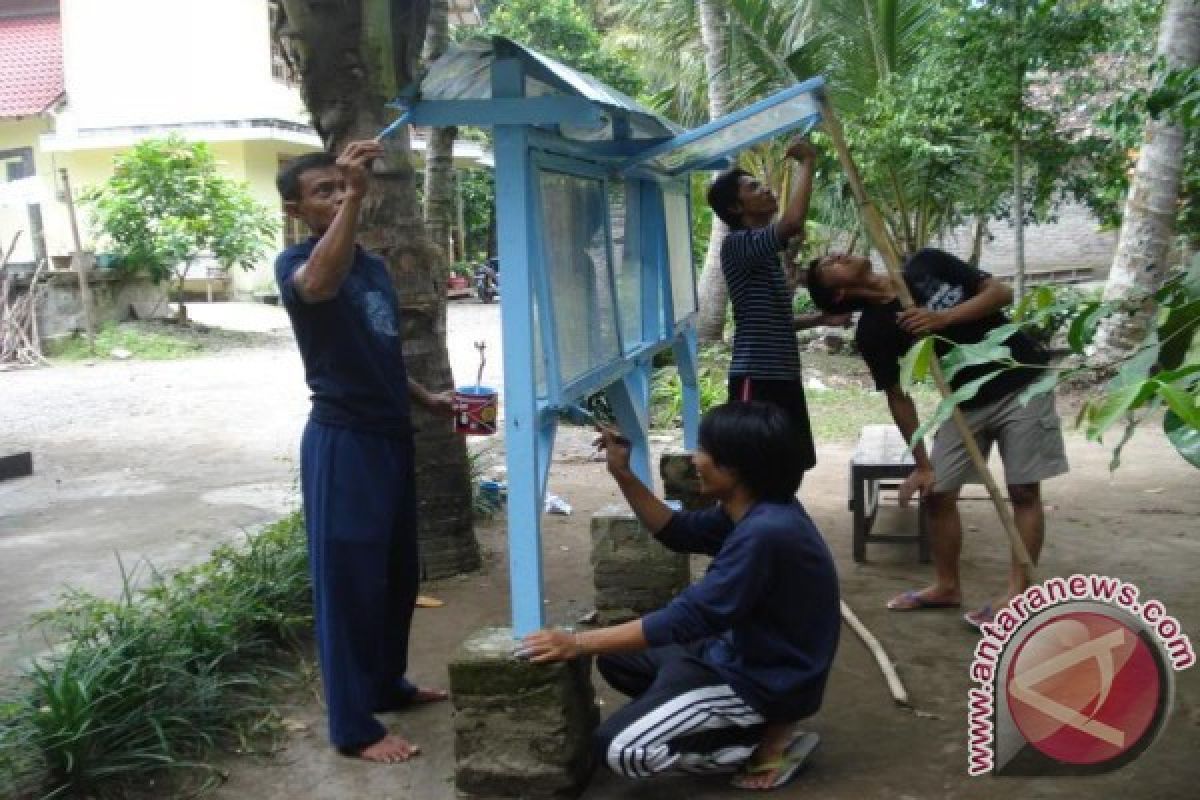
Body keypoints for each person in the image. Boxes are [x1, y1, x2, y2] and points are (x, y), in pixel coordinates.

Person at [520, 402, 840, 791]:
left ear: (734, 468)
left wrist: (575, 642)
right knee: (616, 659)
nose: (694, 459)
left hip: (760, 680)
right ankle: (699, 716)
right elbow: (677, 531)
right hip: (731, 652)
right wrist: (622, 474)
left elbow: (687, 617)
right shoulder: (755, 509)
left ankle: (765, 744)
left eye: (703, 450)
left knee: (621, 750)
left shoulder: (766, 532)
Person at [275, 141, 453, 763]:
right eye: (323, 191)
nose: (339, 194)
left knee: (398, 573)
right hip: (342, 441)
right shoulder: (297, 263)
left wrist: (421, 395)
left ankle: (385, 684)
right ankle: (353, 727)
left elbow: (376, 347)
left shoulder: (372, 265)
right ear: (298, 211)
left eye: (341, 185)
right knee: (349, 583)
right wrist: (354, 194)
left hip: (389, 435)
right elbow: (320, 286)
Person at [806, 248, 1069, 627]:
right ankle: (947, 587)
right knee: (938, 491)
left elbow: (999, 293)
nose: (836, 255)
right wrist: (923, 464)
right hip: (963, 403)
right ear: (838, 296)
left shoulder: (927, 264)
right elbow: (898, 396)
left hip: (1021, 384)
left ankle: (1018, 593)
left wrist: (942, 318)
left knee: (1024, 490)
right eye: (827, 265)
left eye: (833, 255)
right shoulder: (874, 331)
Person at [705, 138, 848, 480]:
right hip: (757, 376)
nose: (766, 189)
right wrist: (807, 163)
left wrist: (820, 318)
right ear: (737, 209)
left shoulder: (763, 252)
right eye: (754, 187)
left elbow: (771, 320)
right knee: (755, 468)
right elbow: (793, 223)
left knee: (789, 464)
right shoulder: (738, 244)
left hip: (782, 374)